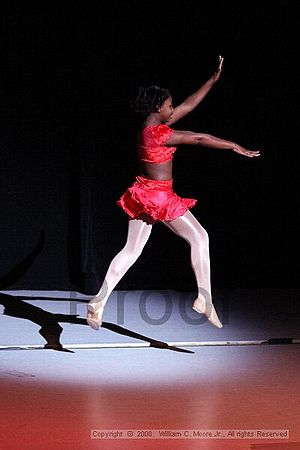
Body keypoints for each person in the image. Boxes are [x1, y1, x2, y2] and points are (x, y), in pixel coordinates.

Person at [87, 56, 260, 330]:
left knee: (131, 250)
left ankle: (99, 300)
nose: (172, 109)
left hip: (141, 192)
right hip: (159, 197)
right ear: (159, 107)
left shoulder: (148, 127)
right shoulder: (159, 134)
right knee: (200, 237)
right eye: (169, 105)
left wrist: (212, 80)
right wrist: (233, 145)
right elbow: (200, 138)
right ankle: (204, 298)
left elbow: (189, 104)